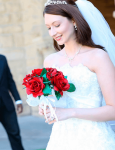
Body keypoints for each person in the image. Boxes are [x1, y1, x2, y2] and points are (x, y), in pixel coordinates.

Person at [39, 0, 115, 149]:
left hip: (95, 139)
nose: (52, 33)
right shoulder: (50, 61)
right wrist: (46, 105)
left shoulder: (98, 57)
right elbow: (54, 99)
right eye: (48, 28)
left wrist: (70, 112)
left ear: (73, 20)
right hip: (60, 139)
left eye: (57, 25)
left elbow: (113, 109)